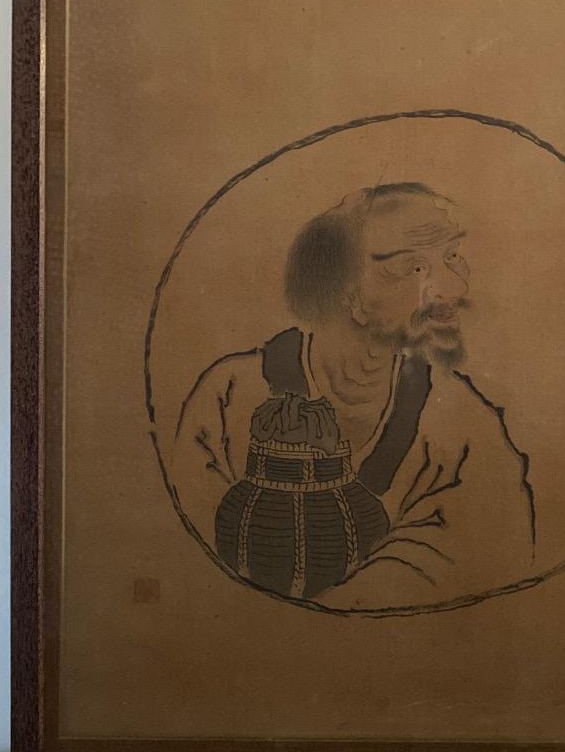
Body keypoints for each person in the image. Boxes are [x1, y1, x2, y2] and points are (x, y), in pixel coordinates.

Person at [170, 183, 536, 609]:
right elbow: (187, 558)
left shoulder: (465, 425)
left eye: (452, 256)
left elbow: (492, 562)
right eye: (416, 267)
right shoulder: (228, 396)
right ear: (346, 291)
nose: (453, 287)